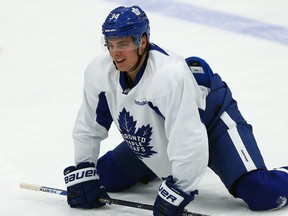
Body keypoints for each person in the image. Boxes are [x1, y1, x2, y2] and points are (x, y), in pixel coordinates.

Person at [63, 5, 288, 215]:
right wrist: (84, 167)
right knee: (105, 176)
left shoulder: (168, 76)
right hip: (162, 129)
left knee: (262, 193)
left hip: (211, 123)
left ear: (142, 41)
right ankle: (164, 167)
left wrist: (180, 188)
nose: (115, 53)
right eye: (110, 44)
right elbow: (89, 124)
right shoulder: (99, 71)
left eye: (123, 44)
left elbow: (189, 138)